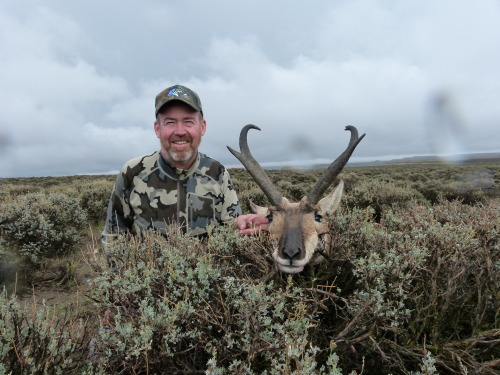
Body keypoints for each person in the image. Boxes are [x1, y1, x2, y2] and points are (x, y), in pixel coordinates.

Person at [102, 84, 267, 246]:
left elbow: (230, 231)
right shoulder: (133, 172)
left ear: (202, 127)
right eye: (170, 122)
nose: (180, 131)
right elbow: (113, 236)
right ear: (157, 129)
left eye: (188, 121)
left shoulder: (217, 173)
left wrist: (242, 224)